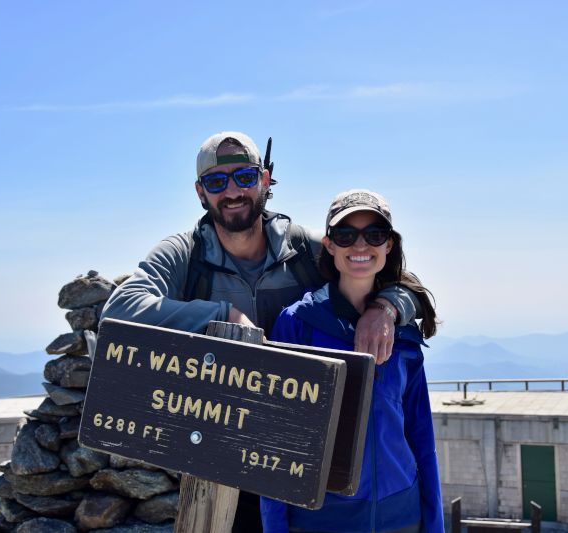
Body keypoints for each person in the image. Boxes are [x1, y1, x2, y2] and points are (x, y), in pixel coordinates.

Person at [101, 133, 421, 533]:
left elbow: (375, 268)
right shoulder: (184, 254)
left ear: (265, 180)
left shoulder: (302, 247)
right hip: (217, 460)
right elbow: (120, 308)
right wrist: (222, 315)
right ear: (201, 193)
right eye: (217, 182)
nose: (232, 191)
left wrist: (387, 307)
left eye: (245, 177)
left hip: (293, 457)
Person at [260, 189, 444, 533]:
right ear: (329, 245)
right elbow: (275, 440)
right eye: (346, 235)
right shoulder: (297, 323)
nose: (361, 246)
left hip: (402, 517)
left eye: (374, 235)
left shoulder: (402, 331)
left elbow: (421, 435)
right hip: (321, 519)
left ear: (389, 245)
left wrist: (434, 524)